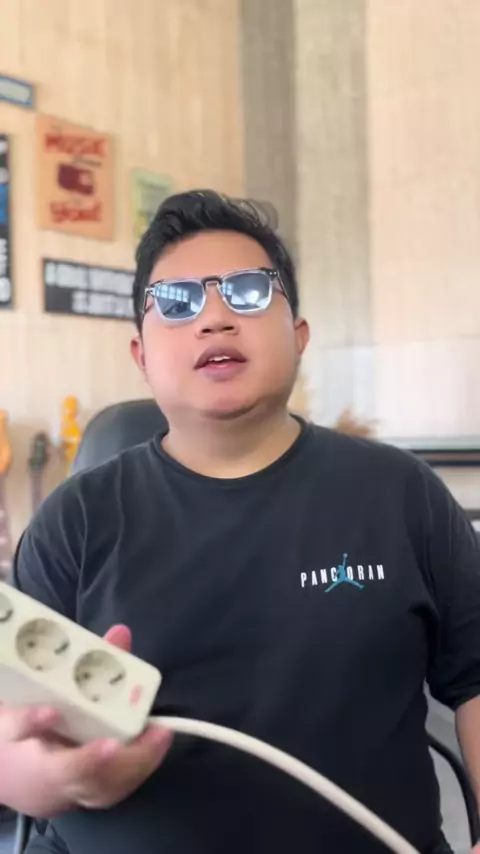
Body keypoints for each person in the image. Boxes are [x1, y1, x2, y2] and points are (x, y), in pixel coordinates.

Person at [2, 190, 480, 854]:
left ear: (299, 335)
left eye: (249, 292)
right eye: (176, 302)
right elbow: (11, 742)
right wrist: (60, 781)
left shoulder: (402, 494)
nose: (215, 318)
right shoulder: (74, 522)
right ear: (141, 355)